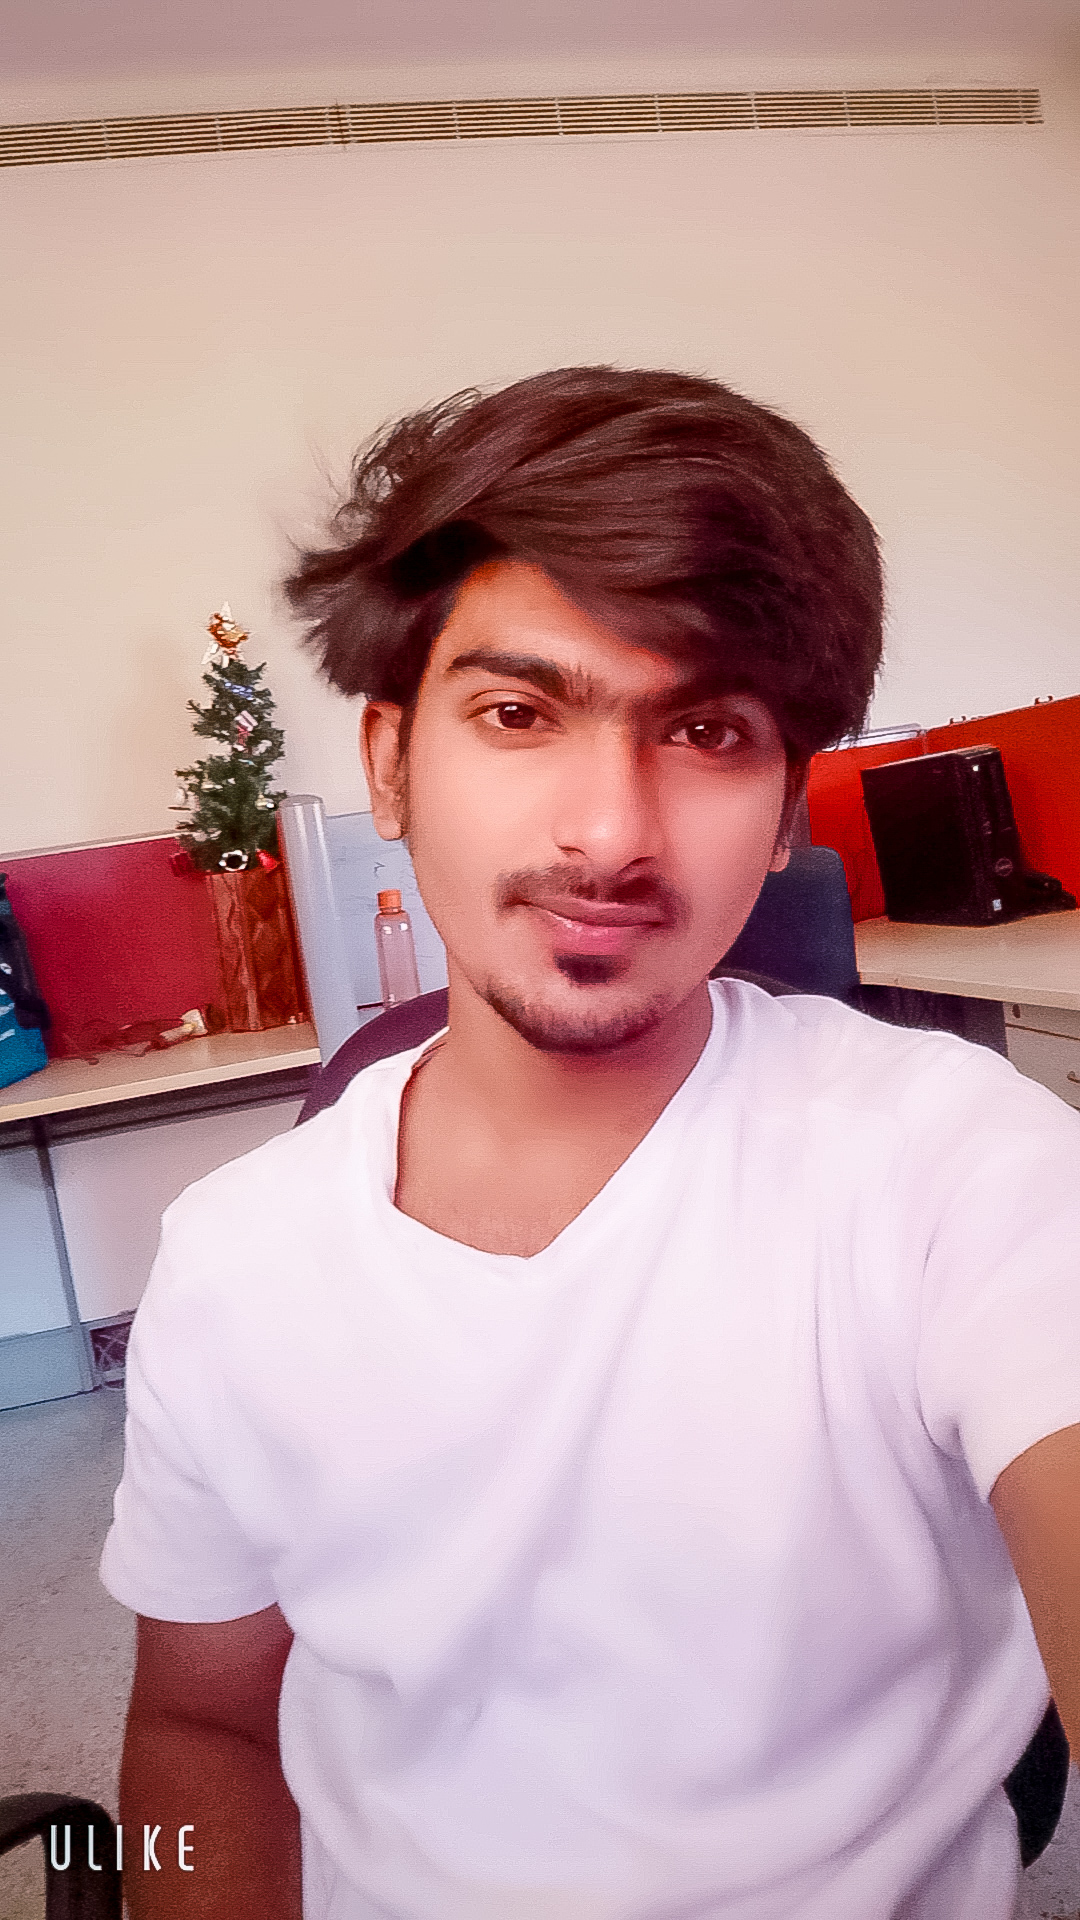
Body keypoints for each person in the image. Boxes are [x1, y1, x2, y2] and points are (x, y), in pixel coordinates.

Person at [101, 367, 1080, 1920]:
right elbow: (203, 1728)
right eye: (518, 712)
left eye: (706, 729)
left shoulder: (960, 1173)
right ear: (389, 761)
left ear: (786, 810)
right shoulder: (232, 1268)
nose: (611, 832)